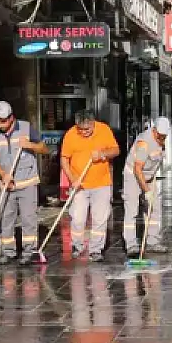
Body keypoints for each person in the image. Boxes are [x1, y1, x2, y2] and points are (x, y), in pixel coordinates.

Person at [0, 101, 49, 265]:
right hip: (8, 184)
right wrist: (2, 174)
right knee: (6, 218)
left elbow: (44, 149)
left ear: (11, 118)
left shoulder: (26, 128)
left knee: (29, 218)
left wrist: (29, 145)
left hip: (27, 182)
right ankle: (8, 252)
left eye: (3, 120)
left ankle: (29, 251)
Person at [60, 111, 120, 262]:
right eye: (81, 129)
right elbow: (64, 159)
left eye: (88, 129)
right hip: (79, 184)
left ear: (93, 123)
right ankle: (77, 246)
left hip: (101, 183)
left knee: (100, 218)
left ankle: (96, 249)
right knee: (78, 218)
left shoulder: (104, 130)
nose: (84, 132)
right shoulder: (71, 134)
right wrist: (72, 179)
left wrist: (102, 154)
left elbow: (116, 150)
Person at [122, 117, 171, 257]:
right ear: (154, 130)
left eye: (164, 136)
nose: (162, 138)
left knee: (154, 208)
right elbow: (138, 169)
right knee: (132, 208)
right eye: (160, 136)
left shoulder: (162, 140)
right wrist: (146, 191)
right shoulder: (143, 143)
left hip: (149, 175)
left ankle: (153, 241)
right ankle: (131, 244)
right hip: (133, 175)